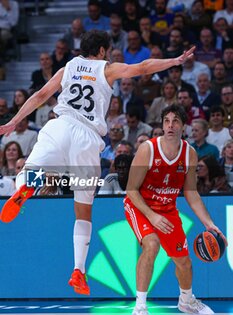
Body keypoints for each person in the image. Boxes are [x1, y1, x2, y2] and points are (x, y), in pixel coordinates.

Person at [0, 30, 195, 297]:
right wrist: (173, 61)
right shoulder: (107, 68)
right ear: (102, 51)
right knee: (83, 210)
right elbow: (143, 67)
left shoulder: (68, 67)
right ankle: (78, 270)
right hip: (88, 140)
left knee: (31, 169)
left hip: (59, 126)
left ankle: (25, 187)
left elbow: (40, 95)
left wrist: (13, 120)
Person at [124, 104, 227, 315]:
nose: (170, 125)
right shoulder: (147, 150)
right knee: (151, 245)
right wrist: (151, 216)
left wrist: (210, 224)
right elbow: (131, 190)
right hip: (140, 206)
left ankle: (186, 300)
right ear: (162, 125)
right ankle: (139, 309)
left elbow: (191, 193)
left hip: (167, 209)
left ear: (183, 126)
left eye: (176, 121)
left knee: (184, 262)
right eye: (166, 121)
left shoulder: (189, 153)